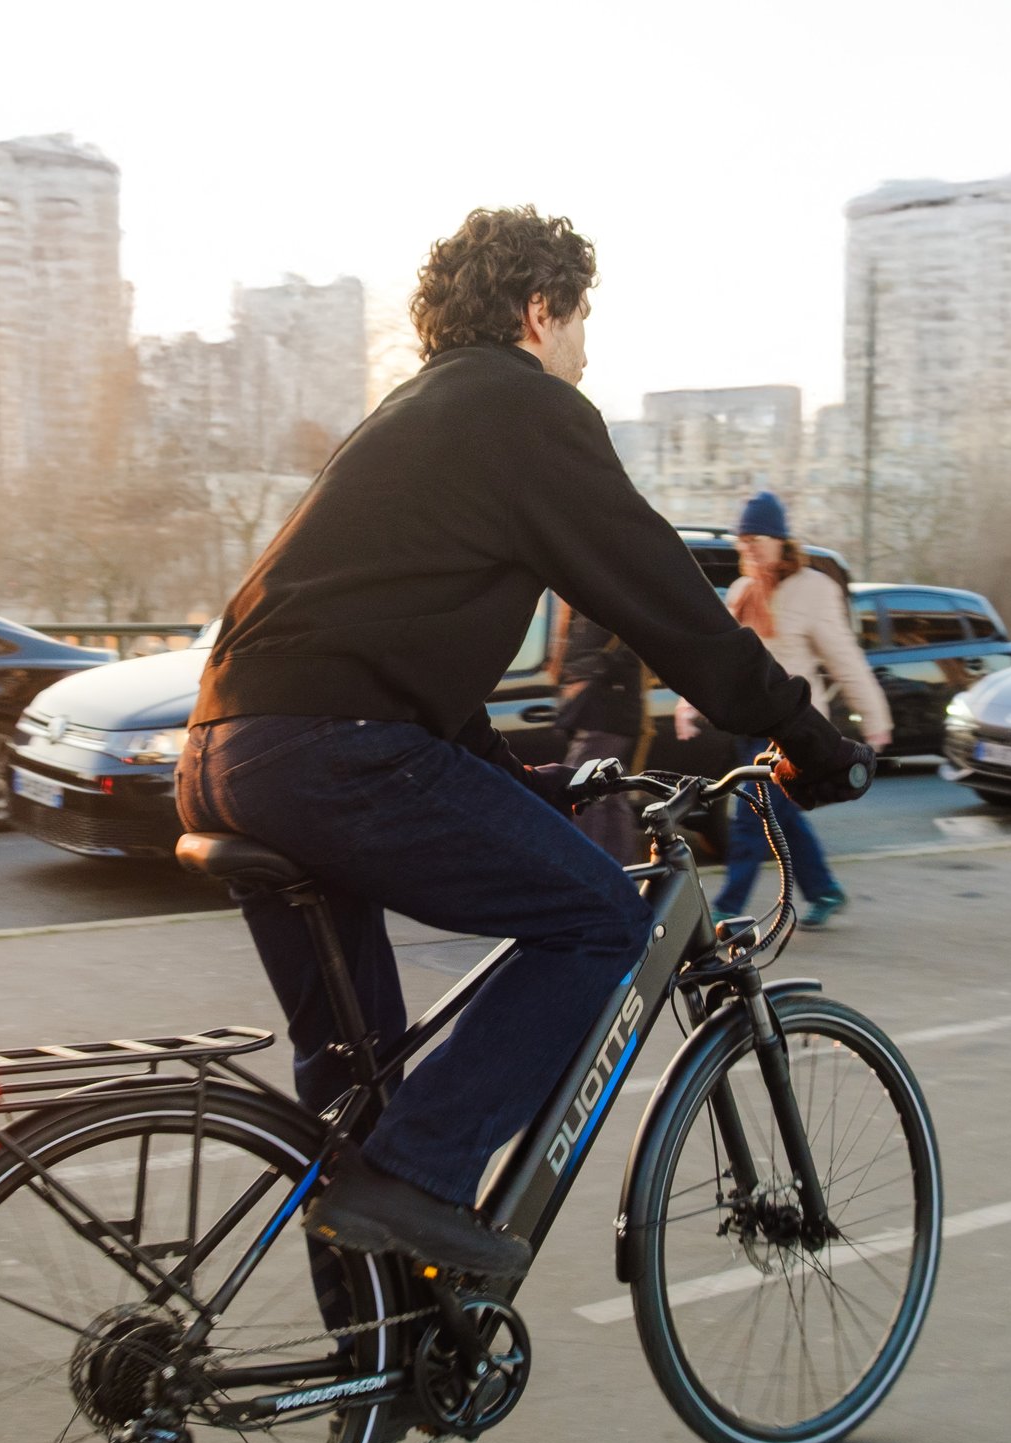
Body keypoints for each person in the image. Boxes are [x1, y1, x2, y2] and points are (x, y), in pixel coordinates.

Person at [177, 207, 874, 1278]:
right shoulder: (525, 408)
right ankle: (419, 1181)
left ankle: (371, 1366)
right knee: (602, 921)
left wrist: (514, 780)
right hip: (331, 752)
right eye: (582, 317)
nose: (587, 347)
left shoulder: (407, 419)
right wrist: (802, 729)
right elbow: (664, 600)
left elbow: (393, 641)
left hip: (230, 751)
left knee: (357, 1088)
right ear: (538, 309)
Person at [677, 491, 892, 927]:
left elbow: (844, 657)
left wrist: (876, 719)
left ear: (780, 540)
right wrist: (687, 704)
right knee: (783, 817)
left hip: (796, 729)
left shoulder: (814, 589)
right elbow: (720, 659)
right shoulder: (741, 592)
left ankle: (728, 908)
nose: (749, 548)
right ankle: (826, 890)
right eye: (744, 540)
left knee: (752, 818)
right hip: (752, 726)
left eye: (757, 538)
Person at [552, 604, 652, 866]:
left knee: (583, 787)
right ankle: (624, 867)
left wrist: (586, 674)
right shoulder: (584, 601)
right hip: (601, 711)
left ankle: (588, 865)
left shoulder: (602, 597)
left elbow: (633, 648)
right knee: (611, 791)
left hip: (607, 711)